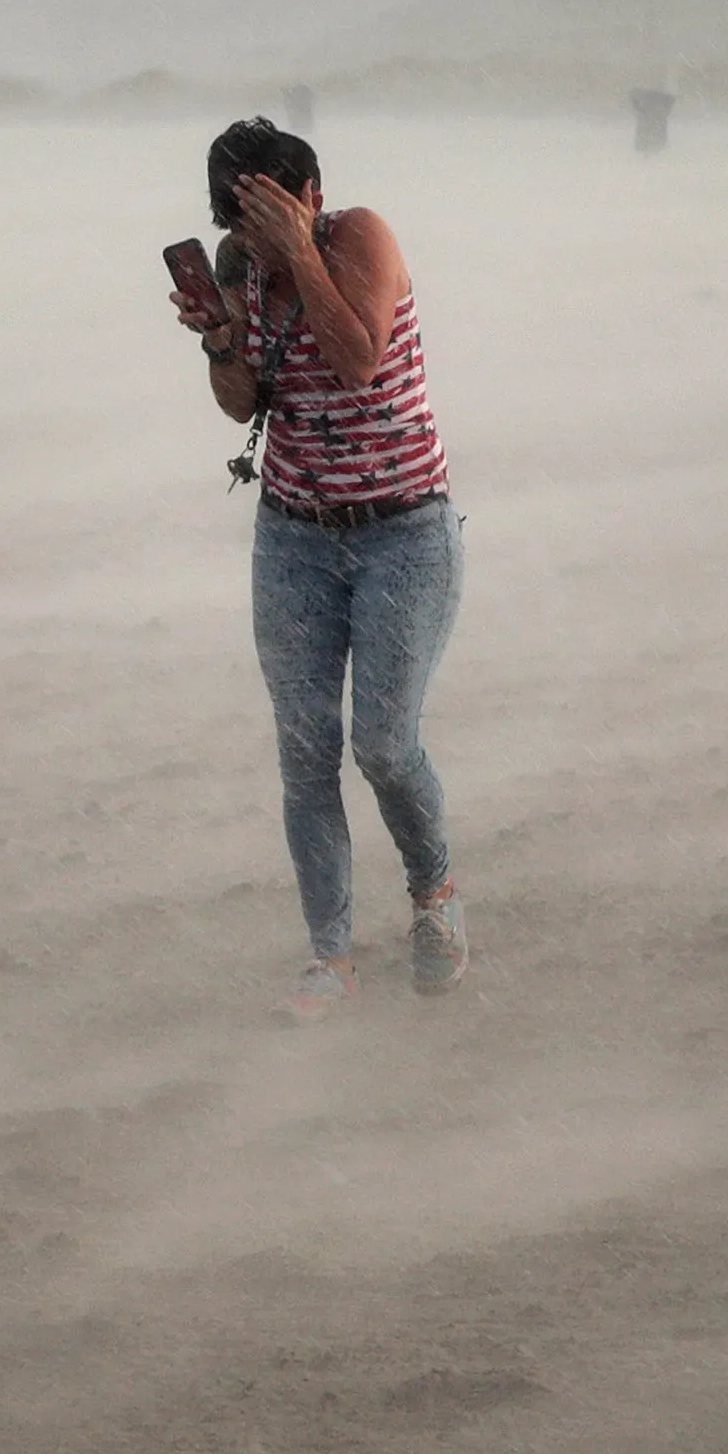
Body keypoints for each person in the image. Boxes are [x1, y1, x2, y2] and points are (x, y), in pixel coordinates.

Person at [171, 118, 467, 1020]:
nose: (250, 238)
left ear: (311, 195)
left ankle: (434, 897)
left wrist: (302, 253)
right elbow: (241, 406)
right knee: (304, 750)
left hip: (403, 531)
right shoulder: (239, 268)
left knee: (383, 745)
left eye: (268, 214)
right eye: (238, 221)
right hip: (294, 537)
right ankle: (329, 956)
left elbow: (358, 360)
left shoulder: (359, 237)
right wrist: (220, 337)